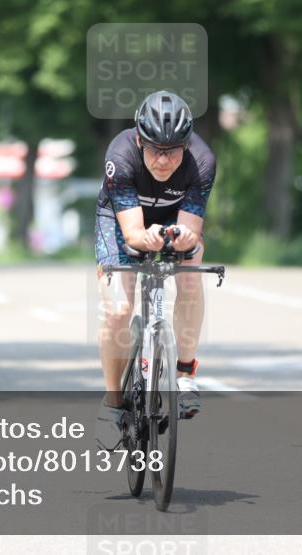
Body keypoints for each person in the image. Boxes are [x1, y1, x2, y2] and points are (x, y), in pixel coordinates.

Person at [93, 90, 216, 451]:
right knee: (117, 308)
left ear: (187, 145)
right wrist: (146, 237)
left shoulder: (203, 160)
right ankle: (113, 403)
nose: (164, 161)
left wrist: (185, 239)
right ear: (138, 140)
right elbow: (132, 234)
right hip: (120, 220)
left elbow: (191, 228)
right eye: (155, 151)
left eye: (173, 151)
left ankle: (185, 373)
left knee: (191, 276)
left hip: (171, 219)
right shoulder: (120, 156)